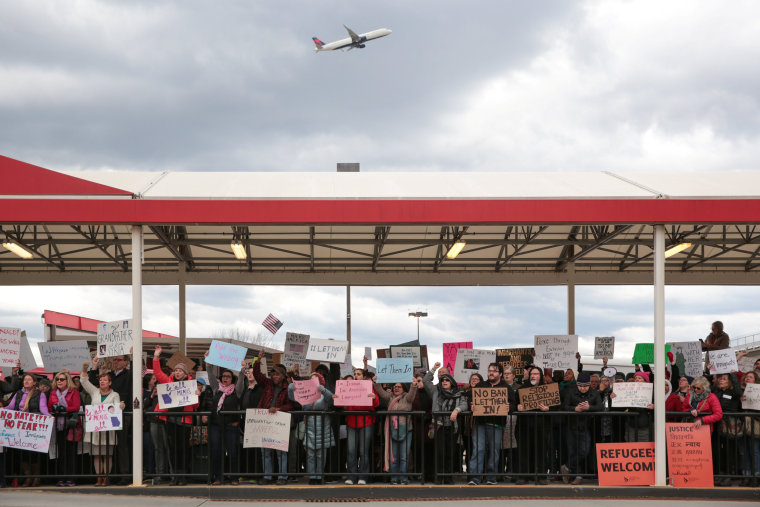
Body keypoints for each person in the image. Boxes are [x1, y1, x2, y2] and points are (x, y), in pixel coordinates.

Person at [152, 345, 200, 486]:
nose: (177, 372)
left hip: (185, 421)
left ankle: (183, 476)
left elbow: (196, 406)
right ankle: (175, 477)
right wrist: (156, 357)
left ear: (185, 373)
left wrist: (197, 396)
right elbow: (158, 372)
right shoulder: (168, 382)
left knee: (183, 449)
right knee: (172, 449)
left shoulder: (191, 385)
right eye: (176, 370)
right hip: (171, 420)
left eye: (180, 371)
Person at [252, 348, 294, 485]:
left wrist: (279, 409)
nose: (274, 376)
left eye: (276, 374)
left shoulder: (288, 388)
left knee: (280, 451)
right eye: (272, 374)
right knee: (266, 451)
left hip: (279, 422)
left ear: (283, 375)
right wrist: (258, 360)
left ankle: (282, 477)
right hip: (266, 421)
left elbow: (292, 405)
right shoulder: (268, 384)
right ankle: (268, 476)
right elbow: (257, 374)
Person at [89, 353, 133, 485]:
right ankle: (110, 475)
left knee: (121, 445)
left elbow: (136, 374)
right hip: (105, 416)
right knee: (107, 446)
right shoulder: (110, 376)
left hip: (122, 414)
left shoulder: (129, 375)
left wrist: (132, 358)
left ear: (125, 362)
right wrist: (94, 367)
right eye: (114, 360)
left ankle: (124, 475)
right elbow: (93, 383)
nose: (116, 362)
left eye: (119, 360)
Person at [468, 362, 514, 485]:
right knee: (478, 449)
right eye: (489, 370)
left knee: (494, 451)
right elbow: (471, 400)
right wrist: (471, 405)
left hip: (497, 424)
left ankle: (491, 477)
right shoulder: (480, 385)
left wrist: (510, 406)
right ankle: (475, 477)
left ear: (500, 374)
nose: (491, 373)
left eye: (494, 370)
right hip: (480, 423)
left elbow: (513, 404)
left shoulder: (506, 388)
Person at [287, 367, 334, 484]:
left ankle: (319, 476)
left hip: (323, 427)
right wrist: (290, 389)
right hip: (310, 426)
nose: (313, 381)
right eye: (311, 379)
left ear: (320, 381)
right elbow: (293, 398)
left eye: (315, 379)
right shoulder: (306, 394)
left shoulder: (324, 393)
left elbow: (331, 399)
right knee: (310, 454)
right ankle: (313, 476)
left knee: (321, 454)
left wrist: (323, 390)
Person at [424, 362, 467, 484]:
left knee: (450, 453)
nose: (444, 382)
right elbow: (426, 381)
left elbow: (464, 404)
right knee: (440, 453)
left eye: (446, 380)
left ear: (452, 382)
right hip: (439, 426)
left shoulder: (458, 394)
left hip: (453, 427)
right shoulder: (436, 392)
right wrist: (433, 369)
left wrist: (456, 410)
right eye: (442, 380)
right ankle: (439, 477)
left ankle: (448, 478)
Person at [81, 359, 122, 486]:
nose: (102, 381)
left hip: (108, 430)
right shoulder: (95, 392)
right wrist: (85, 369)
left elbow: (116, 408)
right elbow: (84, 382)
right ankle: (99, 477)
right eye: (100, 380)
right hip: (96, 429)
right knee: (97, 455)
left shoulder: (115, 395)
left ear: (110, 382)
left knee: (107, 455)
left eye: (105, 380)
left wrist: (120, 406)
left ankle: (106, 477)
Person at [6, 373, 50, 486]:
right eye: (25, 379)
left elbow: (43, 407)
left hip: (32, 428)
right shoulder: (18, 393)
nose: (26, 381)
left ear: (34, 382)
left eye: (29, 380)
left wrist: (48, 415)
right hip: (19, 428)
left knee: (33, 454)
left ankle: (36, 477)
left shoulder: (39, 394)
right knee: (22, 454)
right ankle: (28, 476)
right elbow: (10, 407)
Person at [374, 377, 419, 485]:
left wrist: (413, 385)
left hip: (406, 430)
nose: (396, 388)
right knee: (393, 455)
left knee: (404, 456)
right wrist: (376, 382)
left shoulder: (407, 398)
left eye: (399, 387)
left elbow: (412, 394)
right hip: (392, 430)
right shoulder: (390, 397)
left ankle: (403, 478)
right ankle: (394, 478)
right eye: (395, 386)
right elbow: (380, 391)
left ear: (404, 389)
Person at [205, 354, 242, 486]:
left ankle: (234, 478)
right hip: (216, 425)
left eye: (228, 377)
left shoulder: (236, 391)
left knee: (232, 452)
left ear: (232, 380)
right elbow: (210, 376)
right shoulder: (216, 389)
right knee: (216, 451)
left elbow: (241, 382)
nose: (225, 378)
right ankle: (218, 477)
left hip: (231, 425)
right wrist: (208, 364)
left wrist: (242, 371)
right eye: (224, 376)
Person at [560, 371, 601, 485]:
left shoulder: (594, 393)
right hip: (571, 425)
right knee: (573, 451)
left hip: (585, 426)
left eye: (585, 386)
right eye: (580, 386)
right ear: (577, 384)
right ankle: (578, 476)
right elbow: (564, 406)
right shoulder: (571, 391)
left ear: (589, 385)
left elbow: (600, 407)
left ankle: (566, 467)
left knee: (584, 450)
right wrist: (575, 409)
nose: (582, 388)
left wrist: (589, 407)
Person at [341, 365, 379, 485]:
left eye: (358, 374)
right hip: (352, 422)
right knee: (351, 451)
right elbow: (340, 404)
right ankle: (351, 476)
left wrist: (374, 398)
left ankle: (363, 476)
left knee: (363, 451)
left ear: (363, 377)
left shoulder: (369, 388)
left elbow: (375, 404)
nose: (356, 376)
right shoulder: (348, 388)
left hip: (366, 423)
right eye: (355, 374)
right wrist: (337, 398)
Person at [48, 370, 82, 486]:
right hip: (59, 425)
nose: (59, 381)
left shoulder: (74, 392)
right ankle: (61, 477)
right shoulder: (53, 393)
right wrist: (54, 408)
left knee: (71, 452)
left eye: (61, 379)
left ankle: (71, 478)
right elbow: (49, 406)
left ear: (67, 381)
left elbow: (76, 406)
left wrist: (64, 409)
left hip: (70, 424)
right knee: (61, 452)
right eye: (57, 379)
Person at [517, 366, 550, 485]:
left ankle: (541, 476)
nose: (533, 376)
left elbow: (556, 405)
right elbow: (514, 403)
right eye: (531, 374)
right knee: (524, 451)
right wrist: (517, 407)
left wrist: (548, 409)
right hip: (525, 425)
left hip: (541, 425)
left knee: (541, 451)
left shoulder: (546, 390)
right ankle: (524, 476)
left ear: (540, 376)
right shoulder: (522, 389)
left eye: (536, 374)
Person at [712, 372, 742, 486]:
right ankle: (721, 474)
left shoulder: (733, 392)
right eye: (720, 379)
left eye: (724, 379)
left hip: (730, 425)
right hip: (719, 425)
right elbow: (712, 387)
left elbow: (740, 392)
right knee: (720, 451)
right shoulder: (717, 392)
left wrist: (733, 375)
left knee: (730, 450)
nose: (721, 380)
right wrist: (713, 372)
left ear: (729, 382)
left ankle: (729, 475)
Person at [237, 359, 265, 483]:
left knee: (256, 449)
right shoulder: (245, 388)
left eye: (252, 373)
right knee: (245, 448)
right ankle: (246, 473)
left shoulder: (260, 389)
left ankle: (256, 474)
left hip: (257, 423)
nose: (250, 374)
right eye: (248, 373)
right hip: (245, 422)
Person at [739, 370, 759, 486]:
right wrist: (741, 403)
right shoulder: (740, 392)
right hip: (742, 425)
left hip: (754, 424)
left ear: (755, 380)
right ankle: (746, 475)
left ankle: (756, 475)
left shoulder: (759, 391)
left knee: (754, 451)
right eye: (746, 377)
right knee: (743, 451)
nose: (747, 378)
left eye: (750, 377)